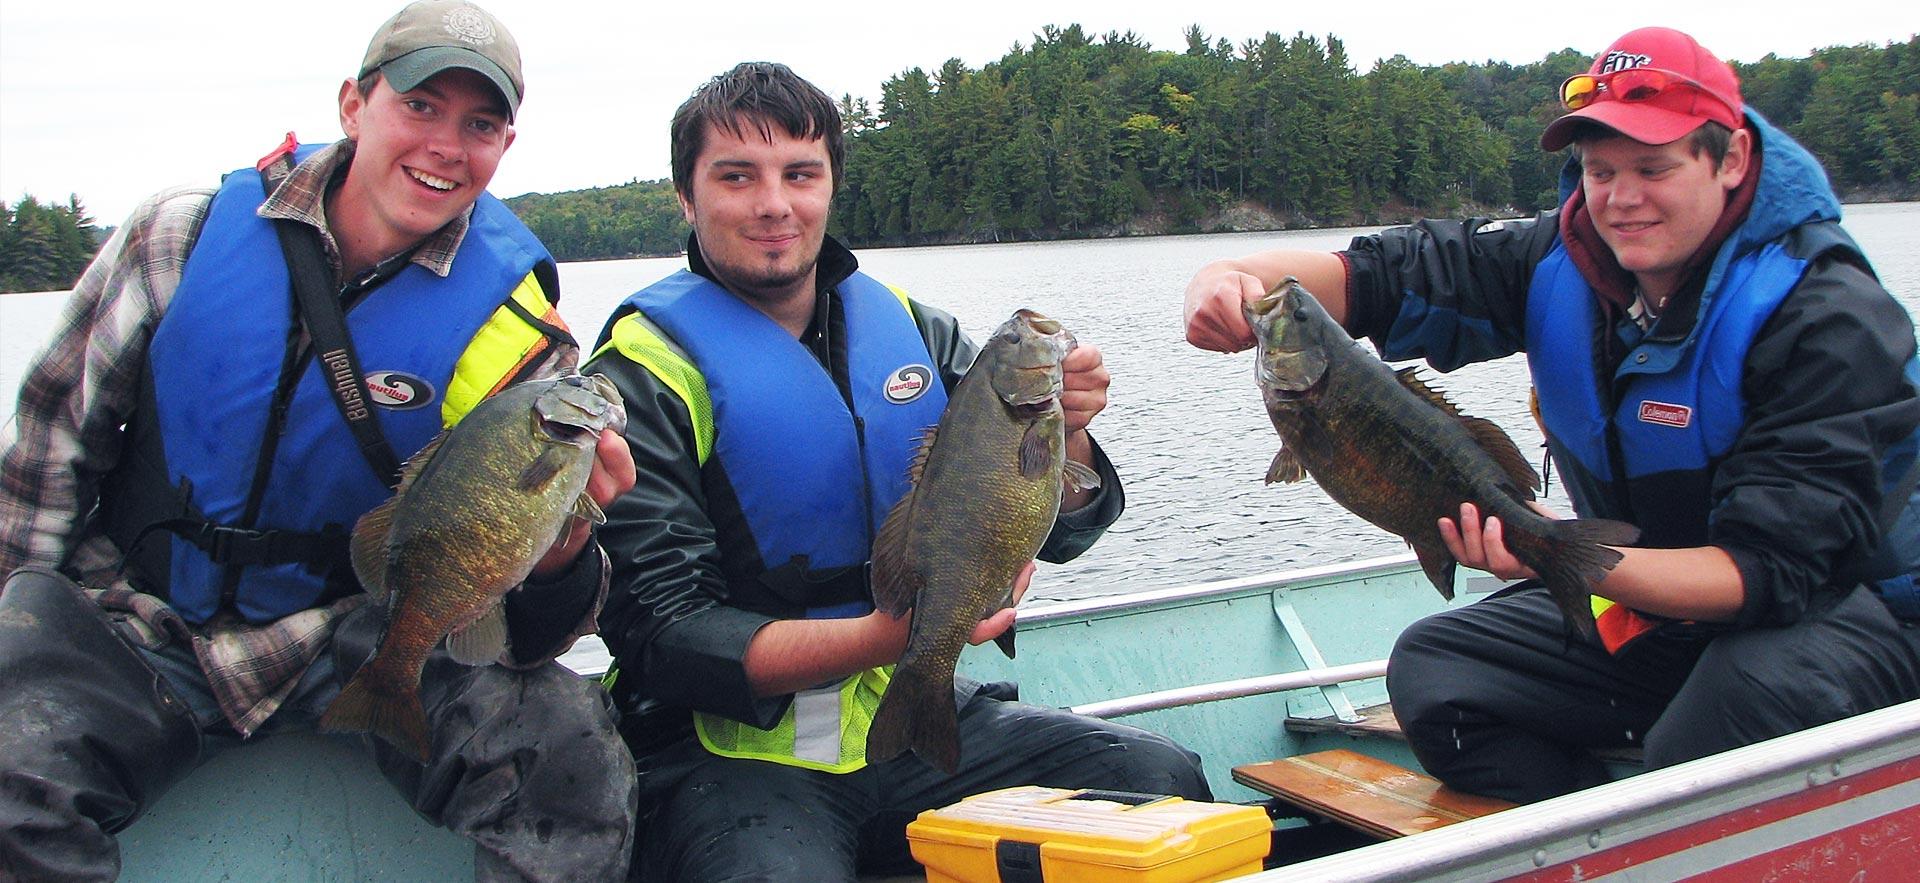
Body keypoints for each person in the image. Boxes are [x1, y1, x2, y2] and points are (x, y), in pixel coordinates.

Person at [1182, 26, 1920, 804]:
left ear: (1730, 160)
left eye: (1652, 168)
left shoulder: (1826, 316)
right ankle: (1584, 835)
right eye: (1600, 171)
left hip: (1854, 616)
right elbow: (1375, 274)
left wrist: (1546, 550)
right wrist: (1227, 273)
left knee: (1722, 727)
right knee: (1439, 674)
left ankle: (1662, 824)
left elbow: (1768, 573)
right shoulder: (1557, 257)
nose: (1621, 197)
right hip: (1661, 602)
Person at [0, 2, 639, 879]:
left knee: (571, 765)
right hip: (139, 618)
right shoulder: (174, 239)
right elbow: (47, 455)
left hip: (360, 631)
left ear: (504, 147)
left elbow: (527, 626)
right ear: (353, 104)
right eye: (420, 106)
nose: (447, 147)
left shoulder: (521, 336)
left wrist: (566, 552)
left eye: (480, 124)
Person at [584, 61, 1211, 880]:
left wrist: (1072, 434)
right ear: (686, 195)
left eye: (801, 174)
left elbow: (1061, 532)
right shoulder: (639, 374)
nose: (775, 204)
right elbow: (661, 633)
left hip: (910, 707)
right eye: (737, 176)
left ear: (831, 185)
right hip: (730, 756)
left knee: (1158, 784)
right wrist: (891, 637)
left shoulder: (916, 328)